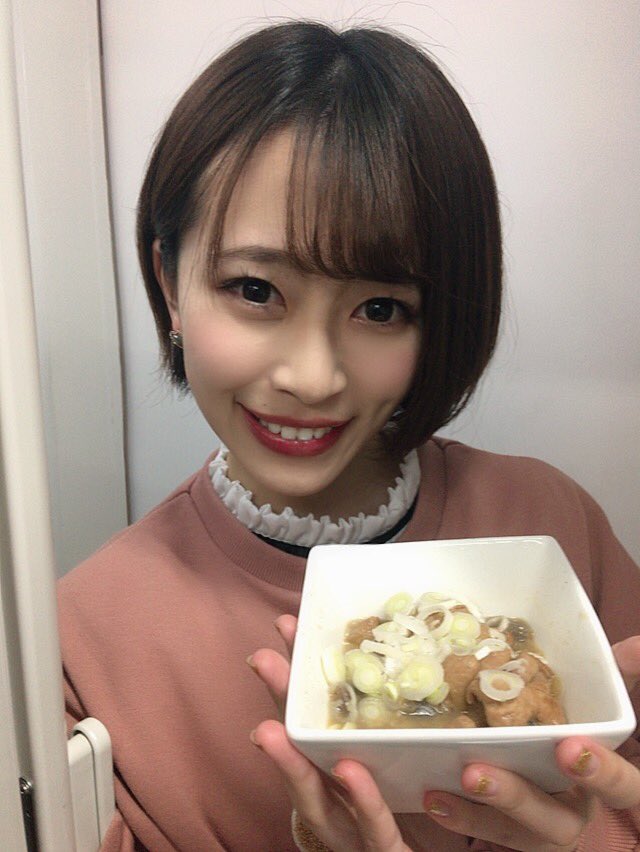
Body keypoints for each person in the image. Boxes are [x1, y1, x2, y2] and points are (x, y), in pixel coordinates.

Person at [57, 20, 640, 852]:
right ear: (170, 284)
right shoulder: (85, 638)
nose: (314, 376)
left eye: (379, 307)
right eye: (255, 289)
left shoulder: (551, 524)